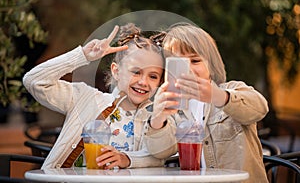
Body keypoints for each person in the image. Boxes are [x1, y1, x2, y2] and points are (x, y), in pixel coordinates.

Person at [23, 23, 175, 170]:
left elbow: (161, 155)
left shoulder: (158, 118)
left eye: (153, 76)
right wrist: (82, 56)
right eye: (136, 72)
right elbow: (34, 81)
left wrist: (127, 159)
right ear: (116, 71)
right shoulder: (86, 98)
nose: (143, 82)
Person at [147, 22, 269, 182]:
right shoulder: (174, 106)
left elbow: (260, 108)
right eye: (178, 64)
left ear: (211, 66)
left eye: (195, 61)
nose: (189, 69)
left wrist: (218, 96)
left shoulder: (232, 89)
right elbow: (160, 151)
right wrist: (157, 119)